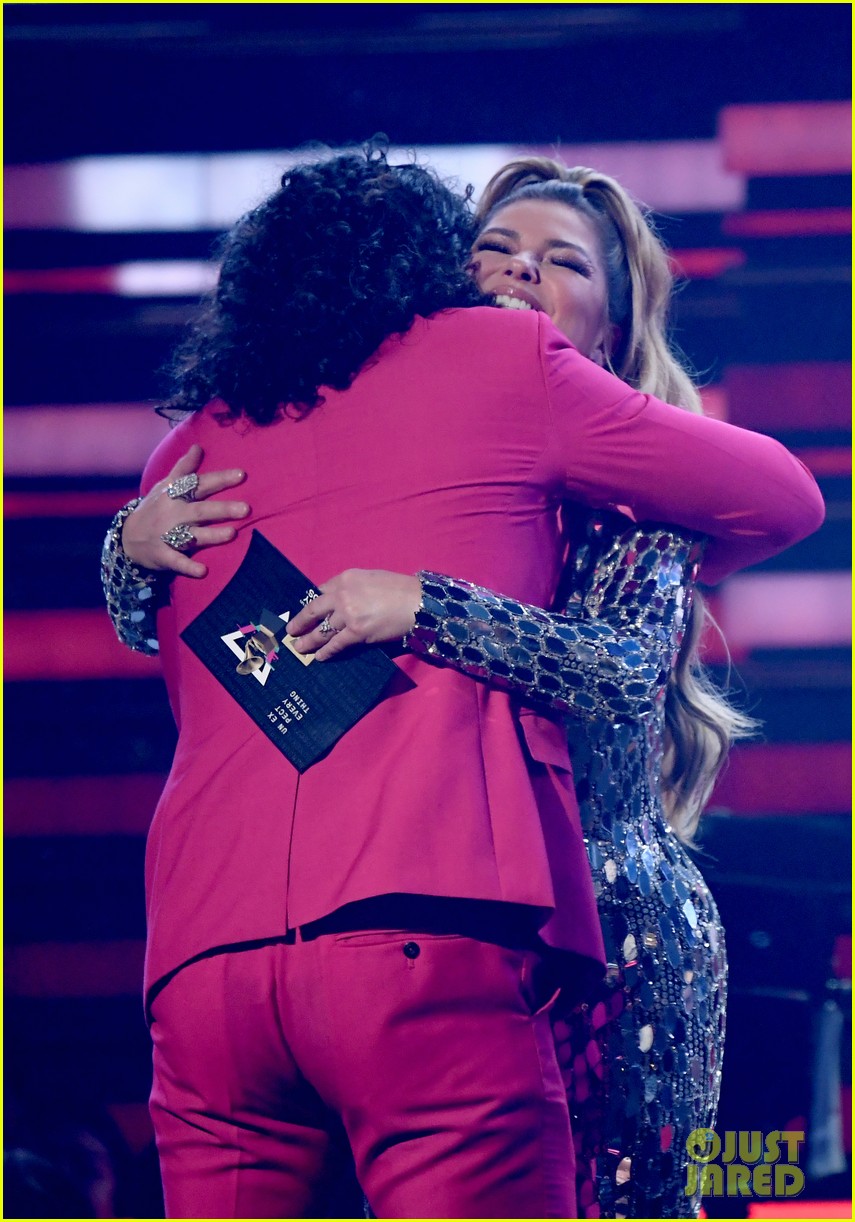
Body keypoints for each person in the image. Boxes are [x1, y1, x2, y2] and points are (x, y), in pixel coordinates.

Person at [101, 148, 823, 1219]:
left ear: (619, 328)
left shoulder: (193, 444)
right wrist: (123, 546)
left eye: (562, 260)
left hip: (249, 955)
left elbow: (633, 657)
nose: (523, 274)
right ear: (438, 268)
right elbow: (785, 496)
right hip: (436, 927)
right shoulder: (495, 367)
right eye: (494, 248)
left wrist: (427, 605)